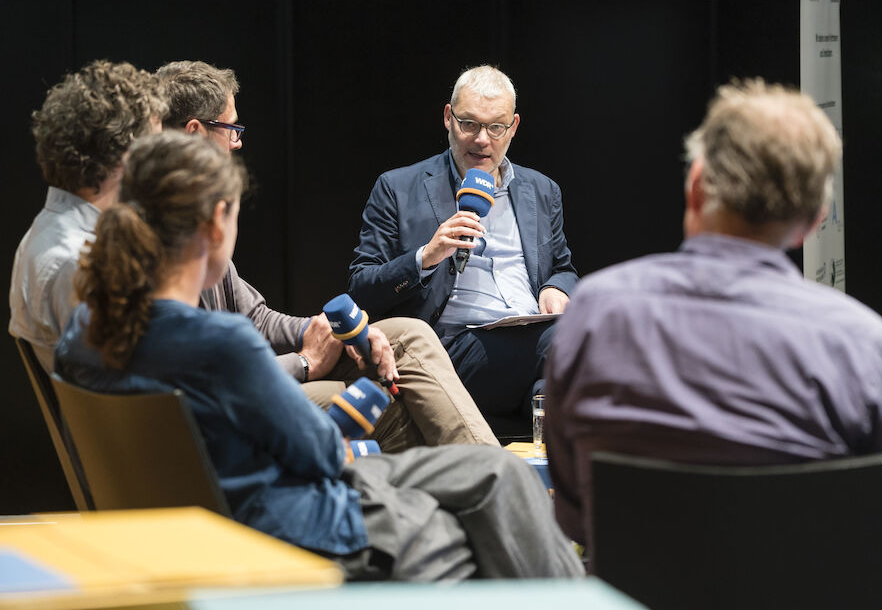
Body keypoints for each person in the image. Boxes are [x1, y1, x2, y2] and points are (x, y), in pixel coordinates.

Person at [55, 131, 583, 581]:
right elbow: (326, 458)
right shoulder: (221, 347)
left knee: (493, 473)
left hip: (223, 514)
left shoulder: (83, 333)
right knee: (494, 504)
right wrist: (374, 389)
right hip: (304, 527)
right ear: (217, 221)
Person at [545, 79, 882, 606]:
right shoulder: (858, 341)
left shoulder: (593, 313)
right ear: (813, 221)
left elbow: (575, 512)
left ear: (697, 184)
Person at [155, 60, 496, 450]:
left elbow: (256, 318)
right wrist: (301, 363)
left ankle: (496, 483)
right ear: (195, 132)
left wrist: (331, 332)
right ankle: (502, 486)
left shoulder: (187, 225)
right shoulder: (164, 245)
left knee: (408, 334)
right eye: (232, 129)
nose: (238, 142)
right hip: (226, 418)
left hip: (245, 390)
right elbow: (202, 382)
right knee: (396, 406)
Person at [348, 65, 578, 423]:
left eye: (495, 127)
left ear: (513, 127)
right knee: (572, 337)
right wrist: (426, 256)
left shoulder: (542, 190)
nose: (482, 139)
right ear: (447, 118)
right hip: (448, 349)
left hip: (530, 336)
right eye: (469, 124)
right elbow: (361, 288)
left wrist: (556, 288)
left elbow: (563, 268)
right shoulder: (398, 188)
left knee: (549, 387)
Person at [9, 60, 166, 372]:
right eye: (156, 145)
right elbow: (146, 387)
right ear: (127, 154)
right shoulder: (78, 260)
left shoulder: (45, 233)